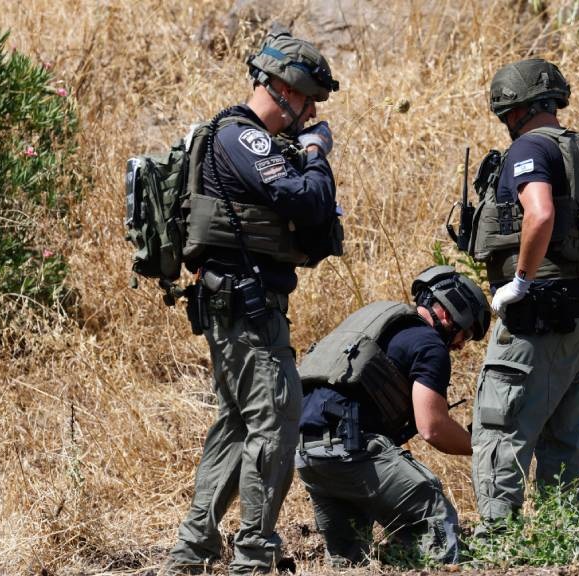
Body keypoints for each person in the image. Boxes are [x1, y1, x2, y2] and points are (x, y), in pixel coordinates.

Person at [163, 26, 341, 575]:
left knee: (237, 427)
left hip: (240, 305)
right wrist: (314, 154)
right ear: (284, 89)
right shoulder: (243, 138)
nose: (310, 111)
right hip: (245, 308)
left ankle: (190, 555)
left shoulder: (243, 139)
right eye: (307, 98)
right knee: (276, 424)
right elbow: (306, 201)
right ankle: (252, 558)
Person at [468, 59, 579, 530]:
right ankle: (562, 535)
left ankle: (499, 540)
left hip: (539, 313)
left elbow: (541, 214)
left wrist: (520, 280)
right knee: (563, 432)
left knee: (499, 424)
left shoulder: (528, 147)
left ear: (515, 109)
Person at [294, 265, 491, 566]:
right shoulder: (430, 346)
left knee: (349, 562)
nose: (461, 345)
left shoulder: (378, 326)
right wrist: (483, 448)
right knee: (433, 514)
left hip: (308, 455)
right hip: (351, 451)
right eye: (466, 333)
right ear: (454, 315)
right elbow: (433, 428)